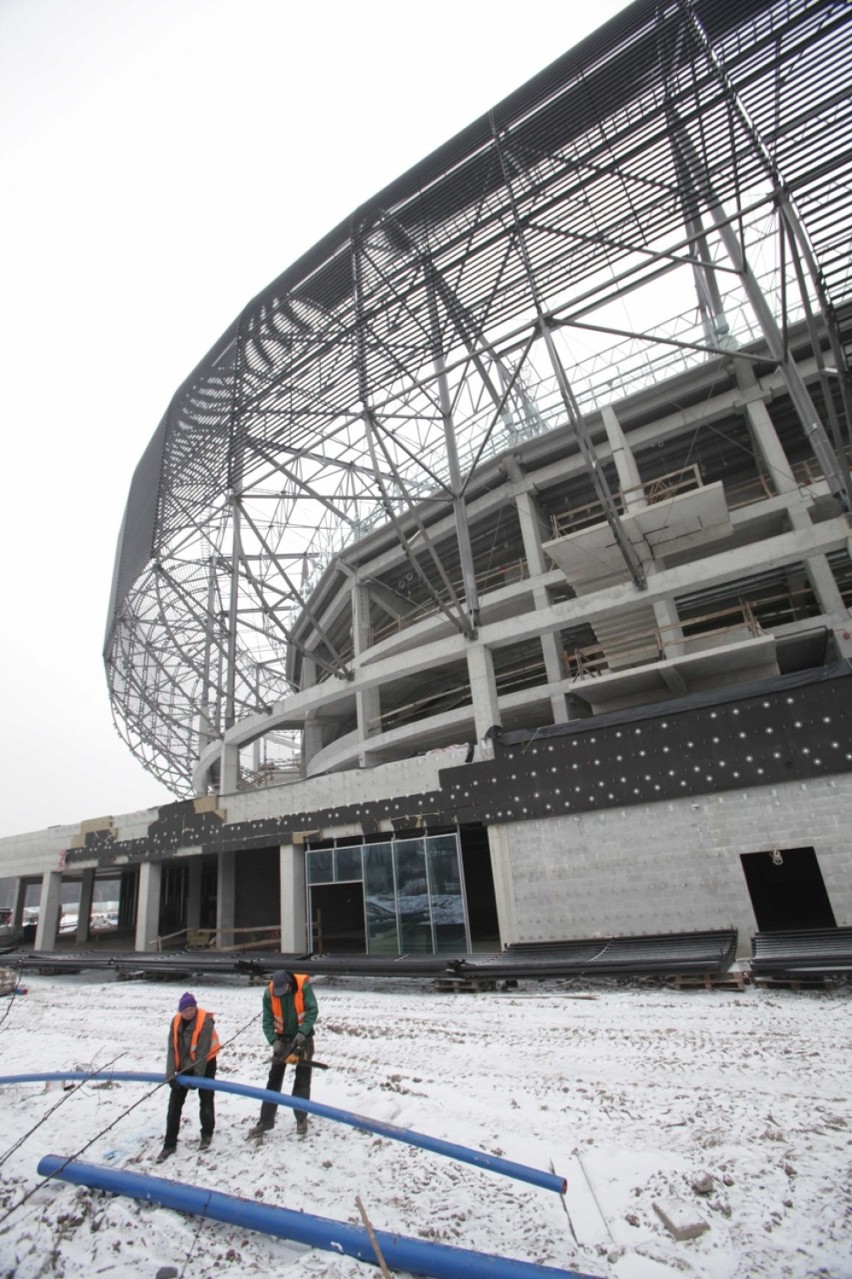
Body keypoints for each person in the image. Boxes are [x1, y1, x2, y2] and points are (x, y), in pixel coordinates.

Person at [247, 969, 318, 1138]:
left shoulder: (304, 987)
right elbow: (267, 1021)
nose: (280, 993)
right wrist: (274, 1041)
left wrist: (302, 1033)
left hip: (303, 1038)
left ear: (289, 983)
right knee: (274, 1080)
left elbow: (312, 1011)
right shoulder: (269, 993)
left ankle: (301, 1118)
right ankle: (265, 1121)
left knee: (302, 1080)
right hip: (282, 1040)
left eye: (283, 989)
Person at [157, 991, 220, 1162]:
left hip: (206, 1064)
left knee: (206, 1099)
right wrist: (170, 1074)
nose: (189, 1013)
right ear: (180, 1011)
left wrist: (197, 1078)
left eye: (192, 1009)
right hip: (184, 1066)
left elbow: (202, 1052)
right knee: (174, 1104)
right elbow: (172, 1048)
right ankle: (169, 1144)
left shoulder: (205, 1021)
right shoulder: (176, 1021)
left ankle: (206, 1134)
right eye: (185, 1010)